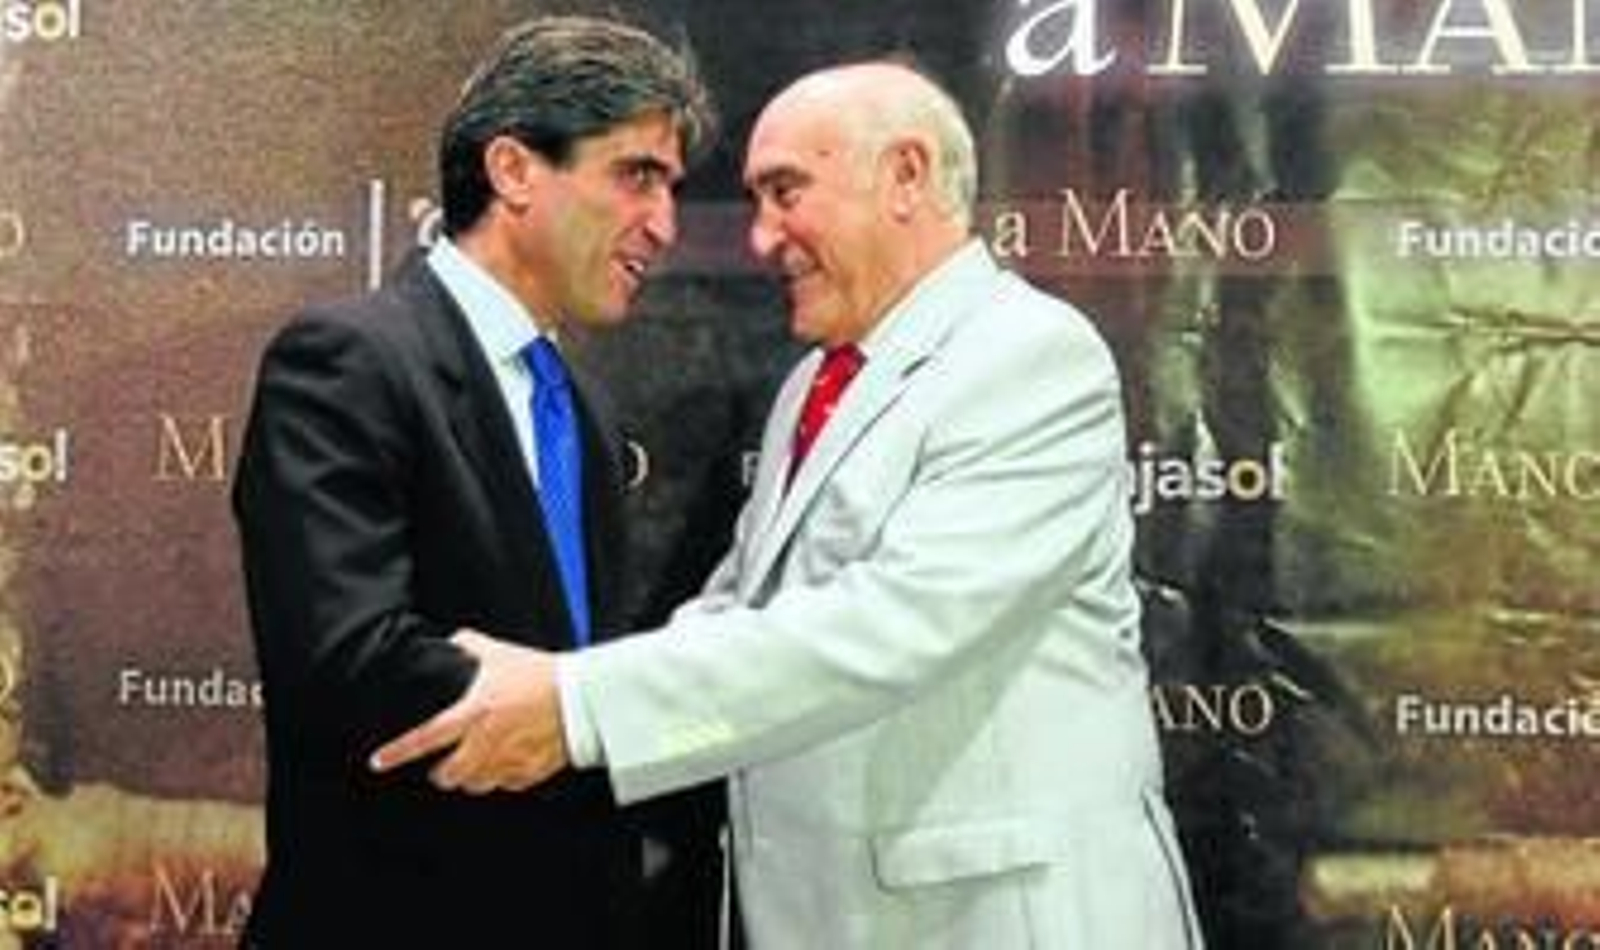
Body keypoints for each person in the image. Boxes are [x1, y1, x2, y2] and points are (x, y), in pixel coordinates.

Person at [373, 60, 1202, 948]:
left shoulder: (1029, 356)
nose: (762, 237)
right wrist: (539, 708)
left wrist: (577, 709)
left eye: (786, 191)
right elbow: (741, 611)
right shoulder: (817, 380)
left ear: (907, 176)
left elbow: (898, 621)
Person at [231, 15, 716, 948]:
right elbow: (353, 658)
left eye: (671, 187)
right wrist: (596, 709)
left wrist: (602, 708)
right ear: (514, 170)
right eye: (636, 175)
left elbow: (567, 666)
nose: (664, 225)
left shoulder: (579, 405)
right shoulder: (349, 359)